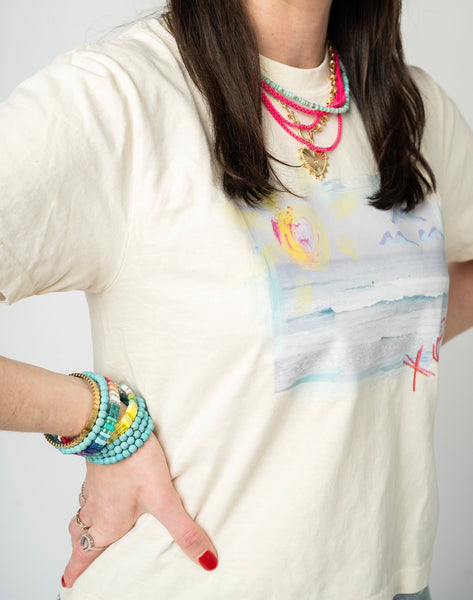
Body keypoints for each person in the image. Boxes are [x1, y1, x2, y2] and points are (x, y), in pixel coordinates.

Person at [0, 1, 472, 599]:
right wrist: (93, 415)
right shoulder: (117, 98)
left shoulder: (408, 107)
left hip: (395, 584)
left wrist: (381, 322)